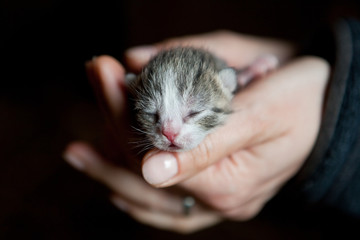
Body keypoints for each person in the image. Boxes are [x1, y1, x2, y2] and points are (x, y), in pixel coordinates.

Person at [63, 18, 360, 233]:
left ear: (228, 87)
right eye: (152, 115)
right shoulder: (198, 93)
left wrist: (330, 120)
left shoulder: (228, 83)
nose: (168, 132)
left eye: (192, 114)